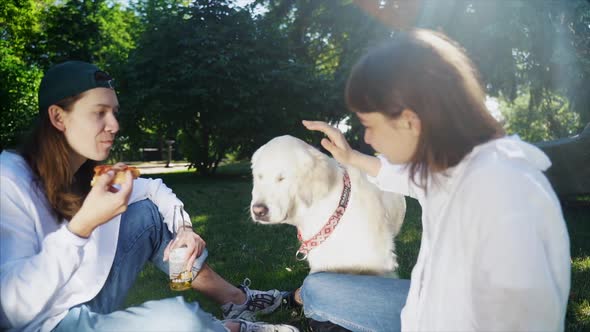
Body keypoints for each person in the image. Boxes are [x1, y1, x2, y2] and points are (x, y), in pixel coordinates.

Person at [300, 29, 571, 331]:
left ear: (409, 121)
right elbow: (401, 176)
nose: (367, 137)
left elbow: (526, 319)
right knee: (317, 288)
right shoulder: (453, 166)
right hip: (428, 308)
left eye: (369, 125)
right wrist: (350, 158)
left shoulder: (500, 188)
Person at [0, 61, 298, 332]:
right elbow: (13, 311)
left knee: (147, 215)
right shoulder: (9, 179)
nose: (114, 125)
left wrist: (185, 230)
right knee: (183, 322)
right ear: (58, 117)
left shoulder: (92, 175)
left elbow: (153, 189)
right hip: (45, 325)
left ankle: (235, 299)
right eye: (98, 113)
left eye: (114, 113)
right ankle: (232, 329)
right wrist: (81, 228)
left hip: (85, 297)